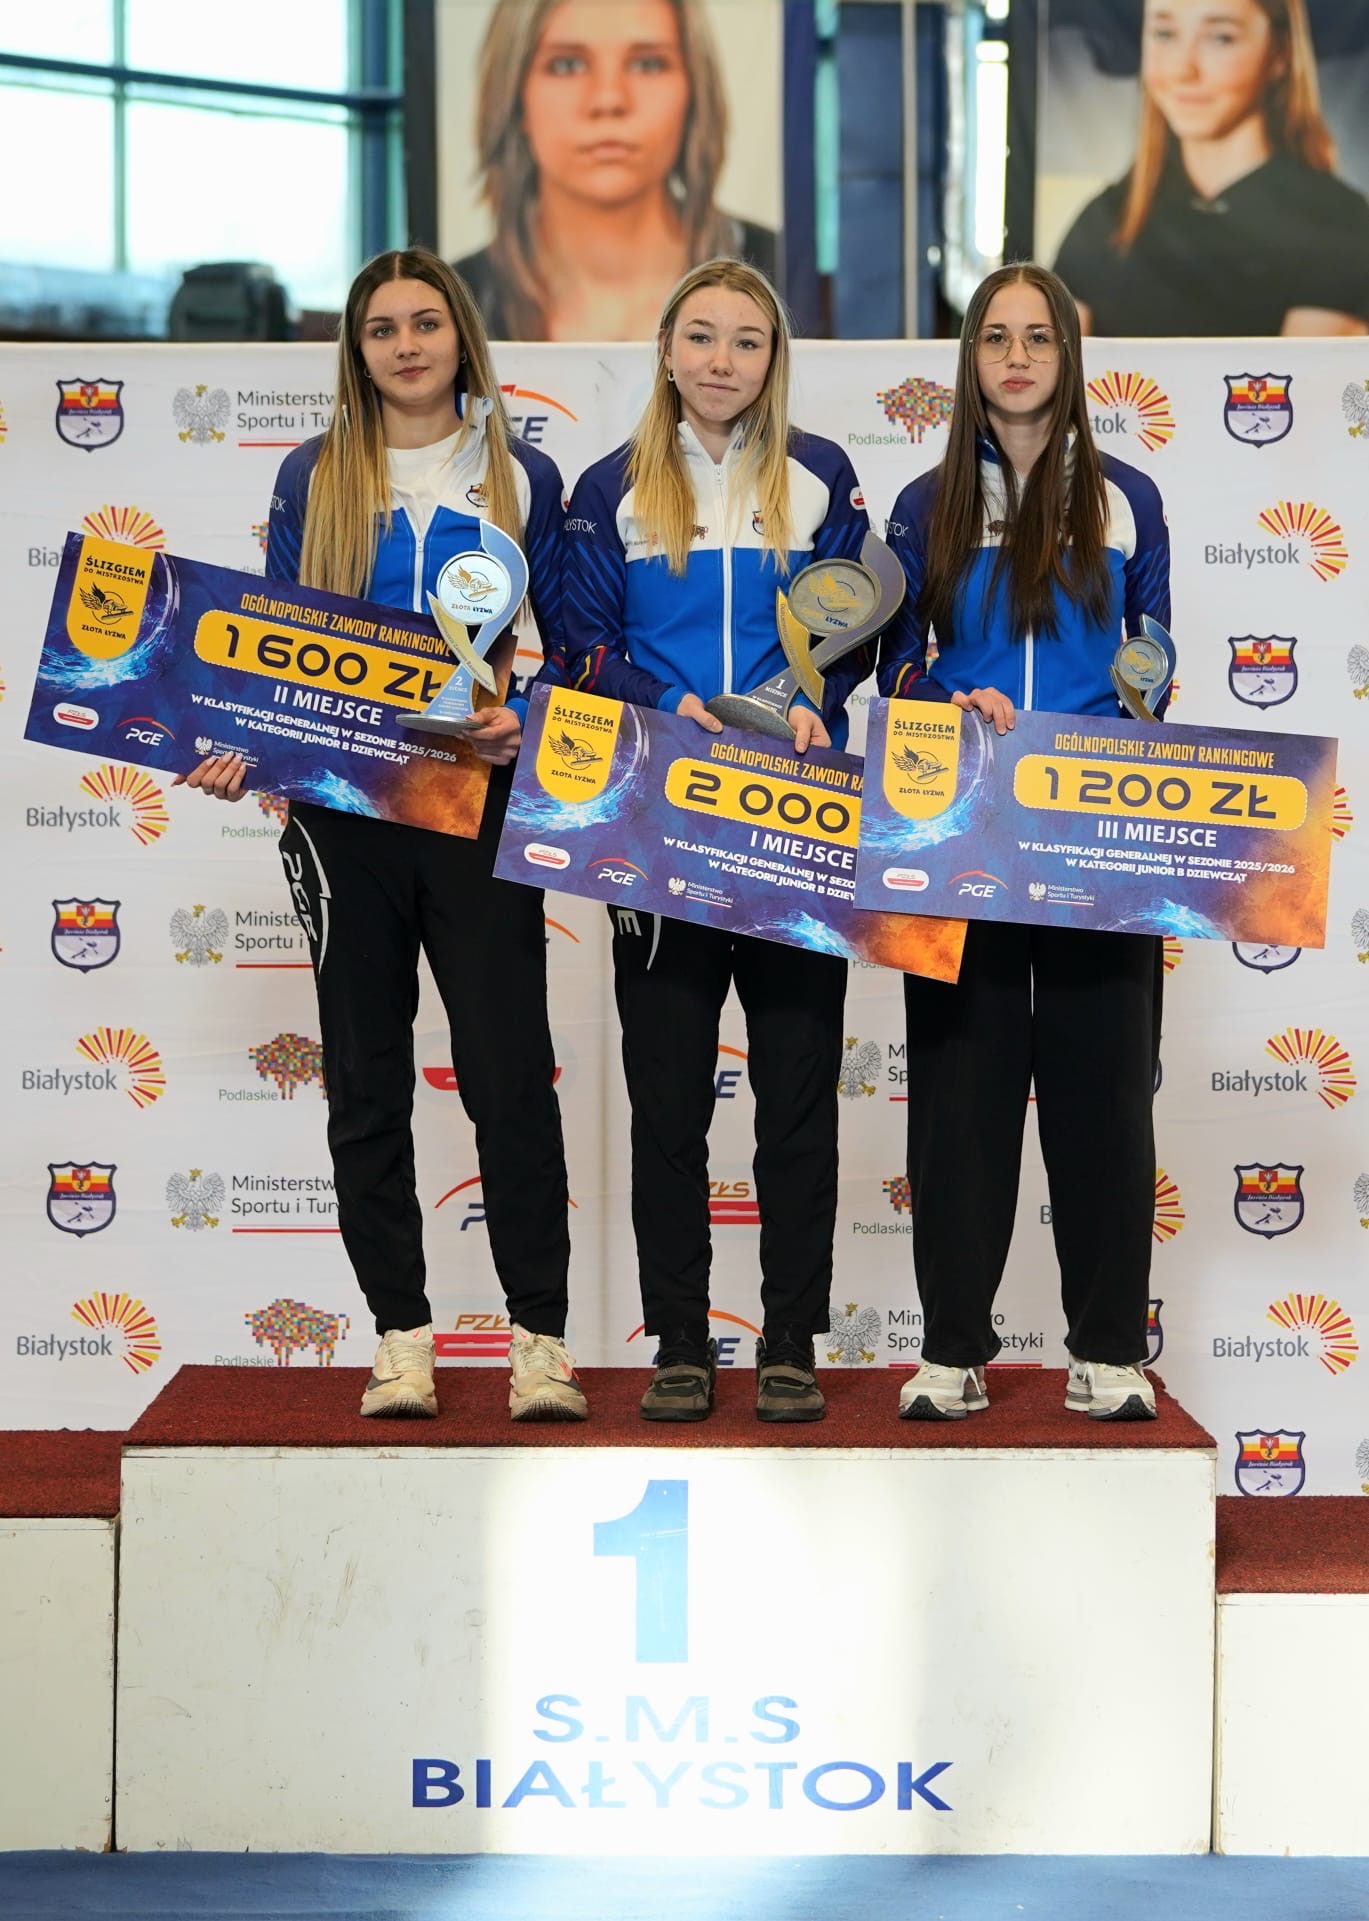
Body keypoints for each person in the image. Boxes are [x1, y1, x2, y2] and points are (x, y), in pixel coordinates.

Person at [173, 249, 587, 1425]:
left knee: (509, 1076)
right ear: (355, 350)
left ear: (461, 337)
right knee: (364, 1078)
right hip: (343, 813)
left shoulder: (522, 473)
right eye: (382, 328)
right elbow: (271, 639)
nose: (406, 345)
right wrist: (242, 748)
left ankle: (539, 1343)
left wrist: (529, 717)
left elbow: (576, 647)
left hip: (472, 805)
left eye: (426, 323)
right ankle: (401, 1340)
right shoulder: (314, 473)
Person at [561, 258, 868, 1423]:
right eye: (700, 336)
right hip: (658, 820)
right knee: (669, 1101)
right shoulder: (608, 488)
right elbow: (580, 645)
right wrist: (663, 701)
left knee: (796, 1095)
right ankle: (681, 1342)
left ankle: (789, 1340)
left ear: (773, 357)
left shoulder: (822, 475)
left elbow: (867, 627)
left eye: (746, 340)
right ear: (666, 350)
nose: (721, 360)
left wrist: (815, 699)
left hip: (792, 820)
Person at [879, 262, 1170, 1423]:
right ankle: (952, 1350)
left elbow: (1152, 653)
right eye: (995, 337)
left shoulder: (1128, 496)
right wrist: (944, 702)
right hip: (963, 828)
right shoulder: (925, 503)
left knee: (1107, 1091)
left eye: (1037, 337)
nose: (1015, 356)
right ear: (970, 359)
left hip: (1096, 829)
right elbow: (893, 665)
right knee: (962, 1094)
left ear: (1067, 355)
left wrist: (1135, 711)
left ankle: (1108, 1350)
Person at [455, 0, 777, 341]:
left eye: (647, 64)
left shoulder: (789, 278)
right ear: (515, 95)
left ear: (695, 90)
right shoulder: (448, 304)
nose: (608, 99)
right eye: (567, 65)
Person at [1053, 0, 1369, 336]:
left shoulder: (1336, 222)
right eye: (1164, 34)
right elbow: (1061, 364)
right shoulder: (1106, 219)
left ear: (1280, 54)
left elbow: (1306, 368)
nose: (1183, 71)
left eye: (1221, 38)